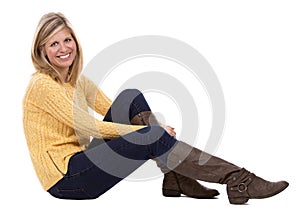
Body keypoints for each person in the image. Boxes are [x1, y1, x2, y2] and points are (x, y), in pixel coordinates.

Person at [23, 12, 288, 204]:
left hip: (81, 164)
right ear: (42, 50)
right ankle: (237, 179)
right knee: (151, 134)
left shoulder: (76, 81)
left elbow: (114, 106)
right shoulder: (42, 85)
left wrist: (153, 131)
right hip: (67, 179)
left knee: (130, 97)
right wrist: (152, 132)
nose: (63, 48)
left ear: (75, 42)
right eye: (53, 43)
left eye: (67, 40)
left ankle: (175, 178)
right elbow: (88, 125)